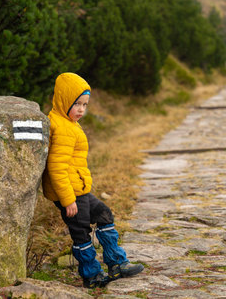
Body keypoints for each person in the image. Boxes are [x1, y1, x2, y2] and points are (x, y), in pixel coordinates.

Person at [42, 72, 144, 289]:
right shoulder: (61, 127)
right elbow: (56, 167)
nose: (81, 109)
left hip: (79, 190)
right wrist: (67, 199)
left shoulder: (68, 123)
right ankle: (92, 275)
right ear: (63, 100)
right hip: (71, 193)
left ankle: (117, 264)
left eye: (85, 105)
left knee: (104, 214)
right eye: (76, 103)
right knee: (81, 234)